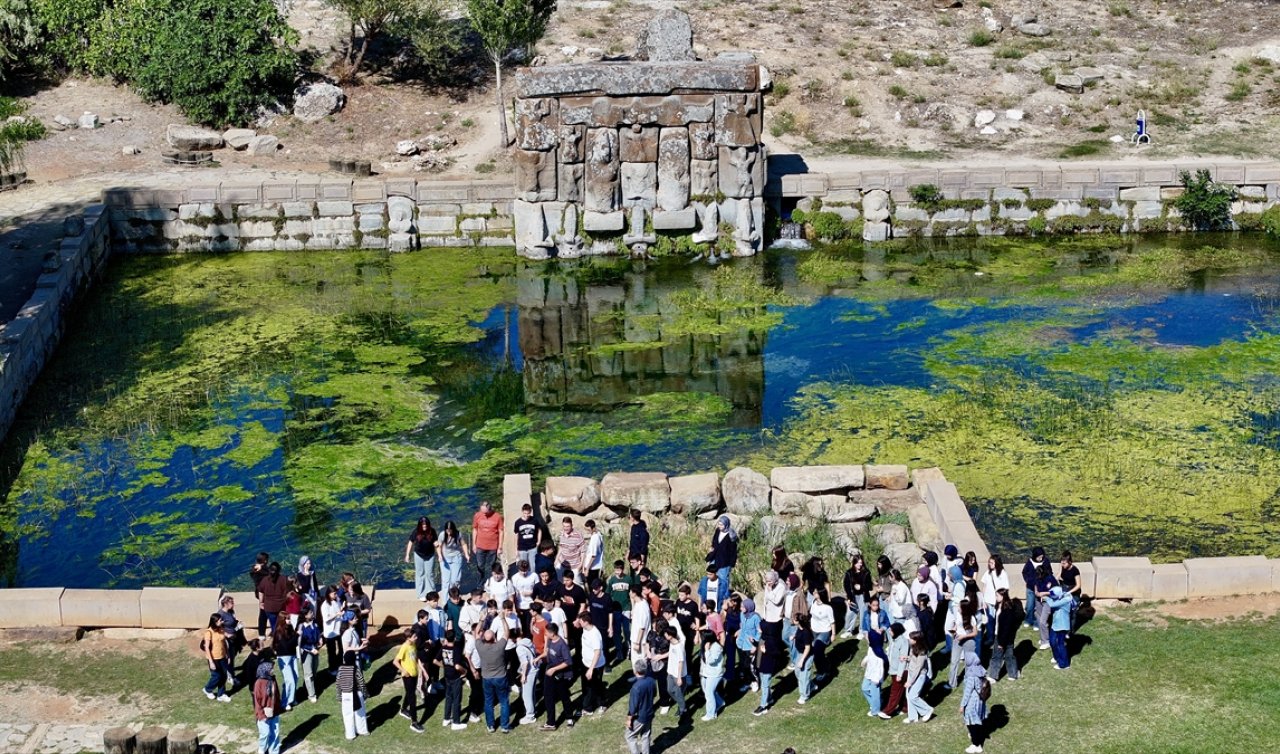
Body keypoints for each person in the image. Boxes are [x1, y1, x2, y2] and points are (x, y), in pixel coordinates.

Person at [475, 628, 512, 733]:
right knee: (504, 701)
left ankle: (491, 725)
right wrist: (503, 619)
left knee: (488, 702)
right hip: (500, 677)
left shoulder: (480, 648)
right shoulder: (499, 647)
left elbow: (476, 634)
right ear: (494, 638)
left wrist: (481, 620)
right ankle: (504, 726)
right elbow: (506, 633)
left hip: (487, 678)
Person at [540, 623, 573, 730]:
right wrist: (538, 658)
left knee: (564, 696)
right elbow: (547, 652)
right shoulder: (550, 641)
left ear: (552, 633)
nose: (545, 633)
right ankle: (551, 722)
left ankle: (569, 718)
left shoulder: (562, 645)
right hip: (549, 671)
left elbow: (568, 662)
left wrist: (554, 669)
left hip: (560, 674)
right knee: (548, 696)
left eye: (547, 632)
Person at [393, 630, 425, 732]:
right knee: (412, 698)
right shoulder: (404, 647)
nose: (416, 638)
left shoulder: (413, 645)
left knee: (410, 692)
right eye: (414, 636)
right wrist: (404, 671)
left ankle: (403, 710)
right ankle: (414, 722)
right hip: (408, 676)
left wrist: (422, 670)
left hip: (414, 674)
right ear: (408, 638)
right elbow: (395, 661)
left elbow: (416, 658)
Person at [438, 628, 469, 730]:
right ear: (455, 638)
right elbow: (456, 666)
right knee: (456, 699)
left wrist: (444, 666)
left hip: (447, 676)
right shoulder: (456, 649)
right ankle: (456, 722)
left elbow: (435, 660)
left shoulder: (443, 648)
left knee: (448, 697)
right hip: (456, 677)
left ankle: (446, 719)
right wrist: (464, 671)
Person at [960, 651, 990, 753]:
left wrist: (962, 705)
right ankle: (976, 738)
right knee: (977, 721)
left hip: (971, 702)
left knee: (972, 724)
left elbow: (967, 692)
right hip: (980, 701)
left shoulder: (971, 675)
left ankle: (976, 744)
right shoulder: (980, 669)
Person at [988, 589, 1020, 682]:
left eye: (997, 596)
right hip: (1003, 635)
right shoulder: (999, 605)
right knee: (1009, 655)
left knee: (997, 656)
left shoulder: (1008, 609)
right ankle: (1013, 674)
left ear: (1003, 596)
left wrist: (1001, 642)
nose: (996, 597)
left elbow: (1006, 627)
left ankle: (993, 676)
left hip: (1003, 636)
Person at [626, 659, 657, 754]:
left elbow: (633, 707)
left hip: (640, 717)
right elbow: (655, 694)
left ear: (635, 671)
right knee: (646, 735)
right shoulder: (652, 681)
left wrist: (629, 719)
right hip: (650, 713)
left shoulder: (636, 688)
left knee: (630, 736)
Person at [578, 612, 607, 715]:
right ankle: (588, 706)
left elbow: (597, 653)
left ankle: (600, 704)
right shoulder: (585, 629)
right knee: (586, 685)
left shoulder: (595, 634)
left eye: (580, 621)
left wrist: (591, 669)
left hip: (595, 665)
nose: (579, 623)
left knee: (595, 686)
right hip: (585, 663)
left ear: (586, 622)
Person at [405, 516, 439, 602]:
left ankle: (431, 591)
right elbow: (410, 542)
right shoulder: (416, 531)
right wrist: (407, 555)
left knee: (429, 573)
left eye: (426, 524)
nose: (424, 526)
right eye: (423, 524)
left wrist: (440, 555)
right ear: (420, 525)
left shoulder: (432, 531)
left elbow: (436, 543)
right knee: (420, 574)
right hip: (419, 555)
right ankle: (421, 593)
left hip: (430, 555)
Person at [879, 623, 909, 718]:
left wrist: (899, 675)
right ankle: (905, 707)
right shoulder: (894, 640)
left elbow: (902, 660)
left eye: (891, 630)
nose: (889, 632)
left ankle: (888, 711)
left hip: (900, 671)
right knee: (902, 690)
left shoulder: (903, 642)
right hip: (894, 670)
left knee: (894, 692)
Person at [252, 656, 281, 754]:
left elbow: (276, 695)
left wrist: (278, 707)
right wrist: (261, 715)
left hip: (274, 711)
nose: (273, 670)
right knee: (265, 733)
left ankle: (274, 751)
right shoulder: (258, 683)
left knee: (275, 733)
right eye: (271, 668)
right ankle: (262, 749)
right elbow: (257, 701)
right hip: (263, 713)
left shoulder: (272, 680)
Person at [904, 631, 934, 724]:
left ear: (916, 640)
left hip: (918, 676)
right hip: (911, 673)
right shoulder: (914, 648)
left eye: (911, 638)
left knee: (913, 696)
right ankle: (912, 717)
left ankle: (927, 710)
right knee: (908, 696)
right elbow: (913, 659)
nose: (909, 639)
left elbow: (918, 668)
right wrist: (907, 658)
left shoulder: (922, 652)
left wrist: (910, 682)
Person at [608, 560, 634, 664]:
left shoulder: (628, 579)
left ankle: (630, 649)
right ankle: (619, 651)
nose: (617, 572)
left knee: (627, 631)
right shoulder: (612, 580)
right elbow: (608, 594)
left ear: (623, 569)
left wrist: (632, 609)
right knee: (617, 631)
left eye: (619, 570)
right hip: (616, 610)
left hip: (626, 608)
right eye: (616, 570)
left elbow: (632, 594)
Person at [202, 613, 233, 702]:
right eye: (220, 620)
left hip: (222, 657)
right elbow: (207, 648)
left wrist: (227, 654)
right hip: (213, 658)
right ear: (214, 622)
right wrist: (211, 662)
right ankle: (208, 689)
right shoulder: (208, 632)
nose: (222, 621)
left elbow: (223, 643)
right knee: (216, 676)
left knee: (223, 676)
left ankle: (221, 694)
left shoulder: (221, 629)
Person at [753, 629, 784, 715]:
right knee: (764, 683)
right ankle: (769, 699)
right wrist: (753, 642)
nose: (758, 629)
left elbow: (777, 653)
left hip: (767, 666)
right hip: (761, 665)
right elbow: (759, 646)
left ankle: (763, 706)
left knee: (765, 686)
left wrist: (766, 651)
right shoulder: (762, 638)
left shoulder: (772, 640)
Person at [980, 555, 1009, 647]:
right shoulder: (988, 573)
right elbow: (984, 587)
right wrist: (983, 600)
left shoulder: (1003, 573)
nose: (990, 564)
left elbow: (1005, 589)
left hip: (997, 601)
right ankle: (990, 638)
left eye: (992, 563)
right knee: (989, 621)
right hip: (988, 601)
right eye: (989, 562)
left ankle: (997, 638)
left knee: (997, 621)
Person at [842, 555, 873, 639]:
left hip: (863, 596)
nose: (860, 564)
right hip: (852, 596)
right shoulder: (849, 573)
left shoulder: (866, 572)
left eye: (861, 563)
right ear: (854, 563)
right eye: (858, 563)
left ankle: (862, 631)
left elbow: (870, 586)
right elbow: (846, 586)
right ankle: (848, 631)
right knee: (850, 613)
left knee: (863, 613)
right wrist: (848, 598)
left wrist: (861, 587)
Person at [271, 619, 298, 711]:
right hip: (284, 658)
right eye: (287, 618)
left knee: (295, 677)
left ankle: (292, 697)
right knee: (289, 680)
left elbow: (295, 644)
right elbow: (287, 645)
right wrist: (297, 636)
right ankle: (285, 702)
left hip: (293, 656)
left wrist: (295, 637)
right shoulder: (279, 632)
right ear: (283, 620)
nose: (290, 620)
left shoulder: (290, 628)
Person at [473, 501, 504, 580]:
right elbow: (475, 529)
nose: (483, 514)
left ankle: (492, 583)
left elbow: (501, 531)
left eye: (485, 513)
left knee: (492, 566)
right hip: (480, 546)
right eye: (482, 512)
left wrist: (500, 547)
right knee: (480, 566)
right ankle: (480, 585)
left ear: (490, 509)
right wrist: (474, 544)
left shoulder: (497, 517)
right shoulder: (477, 515)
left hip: (493, 547)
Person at [257, 562, 291, 636]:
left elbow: (260, 591)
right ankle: (283, 637)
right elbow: (287, 593)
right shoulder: (283, 579)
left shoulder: (265, 580)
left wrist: (261, 602)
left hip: (269, 607)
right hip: (281, 606)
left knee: (274, 625)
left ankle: (276, 639)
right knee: (283, 624)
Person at [736, 597, 761, 692]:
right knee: (744, 665)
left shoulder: (756, 617)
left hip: (751, 646)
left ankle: (755, 681)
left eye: (742, 606)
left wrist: (755, 644)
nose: (740, 608)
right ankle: (747, 682)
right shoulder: (742, 615)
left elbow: (759, 632)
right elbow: (742, 627)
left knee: (751, 666)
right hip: (742, 644)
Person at [699, 629, 725, 720]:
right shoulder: (709, 645)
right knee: (708, 692)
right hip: (708, 672)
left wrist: (706, 650)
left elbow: (711, 661)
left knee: (709, 694)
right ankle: (720, 702)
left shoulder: (716, 647)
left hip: (714, 674)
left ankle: (711, 714)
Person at [439, 521, 470, 596]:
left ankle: (454, 595)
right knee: (446, 581)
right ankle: (445, 600)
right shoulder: (442, 535)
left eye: (450, 530)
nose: (449, 532)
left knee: (455, 580)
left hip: (456, 557)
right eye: (447, 530)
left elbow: (463, 544)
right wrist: (440, 555)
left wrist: (466, 554)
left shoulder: (458, 534)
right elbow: (439, 546)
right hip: (445, 558)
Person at [809, 589, 835, 680]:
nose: (813, 593)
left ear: (820, 594)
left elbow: (832, 622)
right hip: (814, 631)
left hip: (824, 631)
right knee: (819, 652)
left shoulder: (828, 608)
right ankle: (826, 666)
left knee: (817, 651)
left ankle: (822, 671)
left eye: (815, 592)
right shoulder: (813, 602)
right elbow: (811, 615)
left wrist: (833, 634)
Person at [1046, 586, 1074, 669]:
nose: (1051, 597)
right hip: (1055, 625)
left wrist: (1046, 598)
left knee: (1060, 644)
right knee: (1052, 641)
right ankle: (1056, 657)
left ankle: (1064, 664)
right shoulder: (1060, 597)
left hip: (1062, 625)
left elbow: (1051, 604)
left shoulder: (1065, 600)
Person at [297, 608, 321, 704]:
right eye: (310, 612)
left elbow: (318, 634)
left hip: (315, 650)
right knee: (308, 674)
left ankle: (308, 687)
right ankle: (311, 695)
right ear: (305, 616)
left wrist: (320, 639)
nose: (312, 613)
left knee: (314, 670)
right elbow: (301, 643)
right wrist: (311, 649)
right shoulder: (301, 627)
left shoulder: (314, 624)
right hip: (306, 652)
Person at [515, 626, 538, 725]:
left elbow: (525, 663)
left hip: (529, 671)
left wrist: (523, 675)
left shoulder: (519, 648)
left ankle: (530, 715)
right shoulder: (528, 641)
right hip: (535, 668)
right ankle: (533, 710)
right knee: (531, 692)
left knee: (526, 695)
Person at [707, 515, 739, 587]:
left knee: (723, 578)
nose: (719, 526)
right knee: (711, 574)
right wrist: (712, 548)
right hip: (715, 557)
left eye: (721, 525)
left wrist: (732, 563)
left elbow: (733, 551)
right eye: (719, 524)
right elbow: (714, 541)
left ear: (726, 524)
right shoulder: (718, 531)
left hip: (725, 561)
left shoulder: (731, 535)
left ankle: (724, 595)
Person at [1033, 563, 1059, 650]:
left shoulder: (1050, 579)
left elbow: (1056, 591)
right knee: (1038, 617)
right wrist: (1036, 591)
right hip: (1038, 600)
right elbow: (1035, 585)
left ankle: (1046, 641)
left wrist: (1045, 593)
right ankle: (1043, 637)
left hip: (1048, 601)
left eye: (1040, 575)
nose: (1038, 577)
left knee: (1042, 622)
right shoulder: (1036, 577)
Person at [664, 624, 688, 718]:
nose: (665, 635)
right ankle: (682, 705)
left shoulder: (679, 647)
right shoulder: (671, 643)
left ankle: (683, 709)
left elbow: (680, 662)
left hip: (678, 675)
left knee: (678, 693)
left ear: (670, 635)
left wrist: (679, 678)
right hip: (670, 672)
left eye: (666, 634)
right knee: (670, 690)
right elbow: (670, 654)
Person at [1021, 546, 1047, 630]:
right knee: (1030, 605)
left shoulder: (1046, 561)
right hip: (1031, 588)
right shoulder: (1029, 562)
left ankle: (1037, 622)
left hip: (1041, 589)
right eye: (1039, 557)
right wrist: (1028, 581)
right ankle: (1029, 619)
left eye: (1042, 557)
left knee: (1039, 606)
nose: (1040, 558)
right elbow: (1024, 572)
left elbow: (1049, 572)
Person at [860, 636, 886, 717]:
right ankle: (876, 703)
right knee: (864, 688)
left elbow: (880, 667)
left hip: (875, 676)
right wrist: (864, 661)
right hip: (869, 673)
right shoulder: (871, 648)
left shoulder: (879, 651)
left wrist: (877, 678)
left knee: (875, 693)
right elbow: (869, 656)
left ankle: (875, 711)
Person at [792, 612, 814, 704]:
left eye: (794, 619)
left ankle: (804, 696)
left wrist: (802, 660)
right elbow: (798, 635)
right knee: (797, 672)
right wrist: (794, 637)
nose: (792, 620)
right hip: (800, 653)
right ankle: (811, 686)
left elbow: (807, 648)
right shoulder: (799, 629)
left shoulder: (806, 632)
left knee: (803, 676)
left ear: (798, 622)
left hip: (807, 655)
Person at [320, 589, 343, 674]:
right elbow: (326, 619)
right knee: (331, 651)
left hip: (338, 629)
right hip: (330, 632)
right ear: (329, 594)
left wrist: (341, 610)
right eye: (334, 593)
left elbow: (339, 611)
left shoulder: (336, 601)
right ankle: (332, 668)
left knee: (342, 648)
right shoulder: (324, 605)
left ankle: (339, 664)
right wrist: (336, 615)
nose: (336, 595)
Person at [1059, 550, 1082, 633]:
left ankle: (1070, 632)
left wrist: (1069, 592)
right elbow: (1059, 575)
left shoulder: (1075, 570)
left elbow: (1078, 585)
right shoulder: (1062, 566)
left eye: (1064, 563)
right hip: (1065, 589)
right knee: (1065, 612)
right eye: (1061, 563)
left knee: (1072, 613)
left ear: (1070, 562)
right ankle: (1065, 629)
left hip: (1074, 593)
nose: (1062, 565)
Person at [557, 517, 586, 583]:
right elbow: (561, 547)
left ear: (572, 525)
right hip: (562, 564)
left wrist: (581, 565)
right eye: (564, 526)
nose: (566, 528)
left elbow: (583, 551)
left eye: (568, 526)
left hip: (575, 565)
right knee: (561, 583)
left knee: (577, 583)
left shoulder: (578, 535)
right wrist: (556, 560)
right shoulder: (561, 533)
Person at [761, 569, 787, 639]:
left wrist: (770, 591)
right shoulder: (768, 585)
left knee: (774, 637)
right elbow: (766, 597)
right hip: (767, 616)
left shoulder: (781, 587)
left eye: (770, 581)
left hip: (776, 617)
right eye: (767, 581)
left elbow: (777, 601)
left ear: (775, 580)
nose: (768, 583)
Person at [514, 503, 541, 568]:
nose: (526, 515)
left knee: (533, 566)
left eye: (528, 513)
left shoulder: (534, 520)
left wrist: (539, 541)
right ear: (522, 512)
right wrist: (516, 549)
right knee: (523, 566)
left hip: (533, 547)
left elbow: (539, 530)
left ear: (530, 512)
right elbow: (516, 535)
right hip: (522, 548)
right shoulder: (518, 522)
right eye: (525, 513)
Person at [250, 552, 271, 635]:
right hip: (267, 594)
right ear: (265, 561)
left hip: (259, 593)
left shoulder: (254, 570)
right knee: (267, 614)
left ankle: (261, 633)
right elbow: (271, 574)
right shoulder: (264, 571)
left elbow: (252, 571)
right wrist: (263, 567)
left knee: (262, 614)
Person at [584, 519, 605, 584]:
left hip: (593, 567)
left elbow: (593, 555)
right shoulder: (597, 535)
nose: (587, 531)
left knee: (593, 586)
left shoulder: (595, 538)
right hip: (593, 567)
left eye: (589, 530)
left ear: (593, 528)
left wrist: (587, 568)